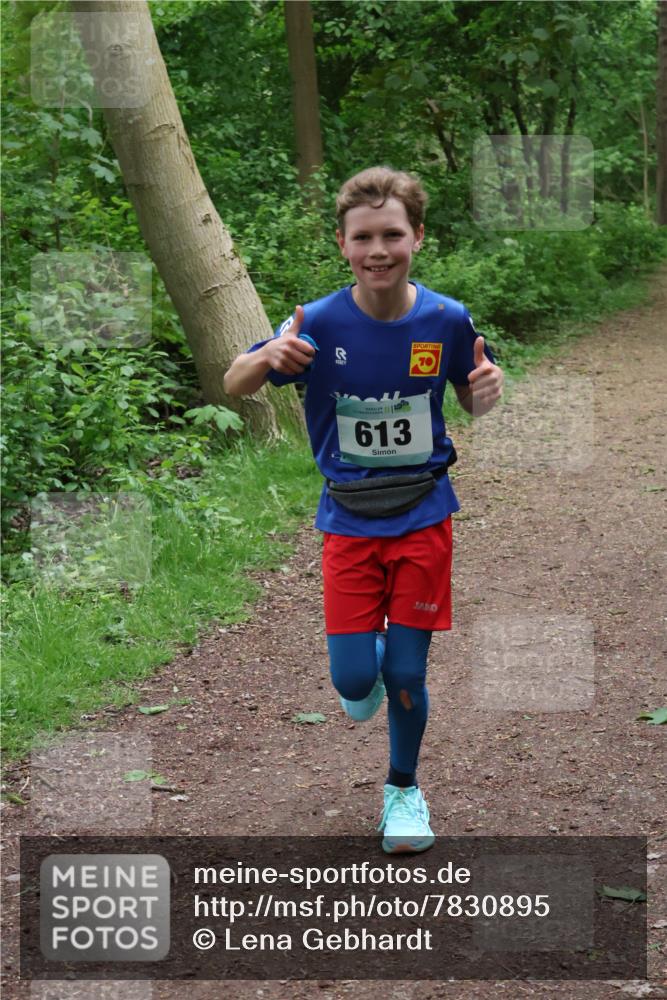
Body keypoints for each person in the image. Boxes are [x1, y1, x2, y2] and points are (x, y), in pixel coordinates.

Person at [223, 166, 503, 853]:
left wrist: (485, 389)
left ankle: (403, 790)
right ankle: (366, 663)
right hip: (347, 522)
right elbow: (233, 383)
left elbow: (469, 397)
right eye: (363, 237)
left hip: (422, 515)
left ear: (418, 238)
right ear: (343, 245)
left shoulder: (446, 318)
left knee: (406, 674)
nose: (378, 249)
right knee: (354, 680)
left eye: (392, 235)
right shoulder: (316, 322)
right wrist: (264, 358)